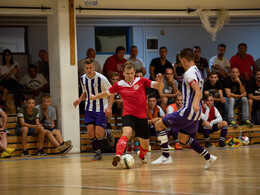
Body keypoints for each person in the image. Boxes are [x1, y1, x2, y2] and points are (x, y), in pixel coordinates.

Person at [152, 48, 217, 170]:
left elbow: (197, 89)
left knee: (159, 125)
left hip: (187, 112)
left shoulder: (189, 73)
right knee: (184, 138)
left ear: (184, 59)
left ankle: (166, 155)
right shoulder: (198, 71)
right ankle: (208, 157)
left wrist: (196, 104)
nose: (180, 63)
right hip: (196, 115)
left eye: (180, 61)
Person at [90, 61, 164, 167]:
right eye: (127, 73)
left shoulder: (142, 81)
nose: (130, 76)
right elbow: (107, 93)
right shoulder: (120, 85)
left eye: (132, 73)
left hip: (142, 117)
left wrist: (160, 81)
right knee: (126, 133)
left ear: (134, 73)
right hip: (128, 115)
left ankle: (141, 155)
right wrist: (94, 97)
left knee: (145, 145)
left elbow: (159, 86)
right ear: (123, 73)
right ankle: (118, 155)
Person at [73, 58, 115, 161]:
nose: (89, 70)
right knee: (90, 131)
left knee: (99, 133)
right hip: (89, 108)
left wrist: (109, 107)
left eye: (91, 67)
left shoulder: (101, 78)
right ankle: (97, 153)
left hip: (101, 109)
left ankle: (107, 134)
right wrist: (79, 99)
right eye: (87, 68)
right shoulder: (83, 78)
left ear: (94, 67)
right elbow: (85, 91)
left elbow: (112, 92)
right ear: (84, 68)